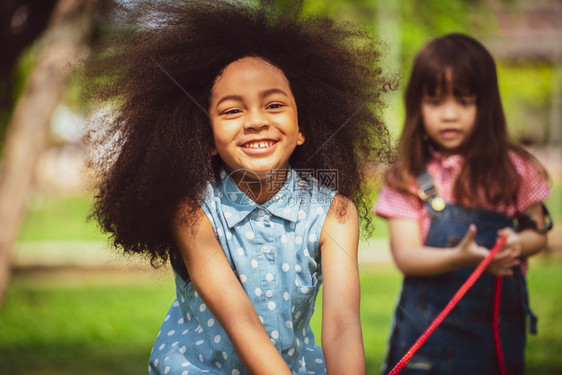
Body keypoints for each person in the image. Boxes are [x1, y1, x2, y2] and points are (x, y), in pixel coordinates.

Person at [85, 1, 393, 374]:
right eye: (232, 111)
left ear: (301, 128)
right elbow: (240, 321)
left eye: (274, 105)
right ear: (209, 137)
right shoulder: (191, 213)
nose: (256, 121)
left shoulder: (335, 215)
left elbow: (342, 328)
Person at [374, 33, 552, 374]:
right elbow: (406, 256)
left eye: (464, 101)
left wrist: (515, 243)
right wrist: (459, 258)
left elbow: (538, 233)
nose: (450, 115)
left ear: (485, 106)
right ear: (417, 105)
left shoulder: (514, 169)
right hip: (426, 340)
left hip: (496, 335)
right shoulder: (409, 175)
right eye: (436, 102)